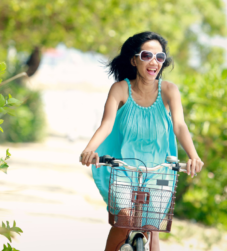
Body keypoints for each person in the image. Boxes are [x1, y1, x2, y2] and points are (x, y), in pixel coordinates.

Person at [80, 31, 204, 251]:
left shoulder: (169, 91)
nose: (154, 62)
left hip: (159, 170)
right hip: (122, 170)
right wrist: (89, 150)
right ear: (134, 60)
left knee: (152, 228)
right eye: (147, 55)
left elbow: (180, 126)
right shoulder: (120, 89)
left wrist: (193, 156)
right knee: (124, 221)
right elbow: (106, 125)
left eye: (160, 57)